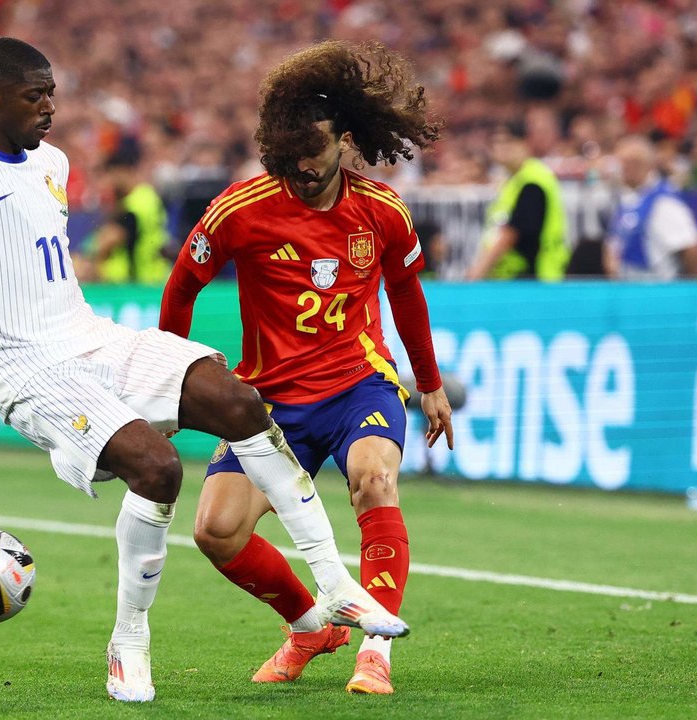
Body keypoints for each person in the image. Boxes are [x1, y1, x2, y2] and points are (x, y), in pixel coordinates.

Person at [0, 37, 410, 704]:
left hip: (88, 337)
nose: (50, 105)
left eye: (52, 92)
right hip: (24, 368)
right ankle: (127, 643)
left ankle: (335, 587)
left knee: (240, 403)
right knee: (158, 467)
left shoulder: (54, 162)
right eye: (34, 95)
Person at [160, 40, 454, 696]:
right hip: (267, 402)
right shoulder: (241, 209)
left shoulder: (380, 211)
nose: (300, 167)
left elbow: (406, 294)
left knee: (374, 480)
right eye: (286, 156)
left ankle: (375, 650)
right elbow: (181, 287)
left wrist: (428, 384)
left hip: (357, 383)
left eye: (313, 153)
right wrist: (165, 384)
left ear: (344, 141)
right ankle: (308, 626)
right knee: (215, 531)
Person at [466, 120, 569, 281]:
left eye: (508, 141)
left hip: (534, 276)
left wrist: (478, 271)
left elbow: (512, 232)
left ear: (525, 142)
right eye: (495, 142)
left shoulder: (533, 180)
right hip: (513, 278)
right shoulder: (512, 181)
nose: (501, 148)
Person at [72, 136, 171, 284]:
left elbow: (107, 241)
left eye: (109, 174)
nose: (107, 181)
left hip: (137, 283)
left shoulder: (133, 205)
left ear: (122, 172)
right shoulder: (148, 195)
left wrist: (82, 258)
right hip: (155, 277)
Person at [605, 134, 697, 279]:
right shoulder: (627, 199)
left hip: (656, 289)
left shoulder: (664, 202)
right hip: (628, 288)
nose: (625, 168)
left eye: (633, 162)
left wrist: (691, 289)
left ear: (649, 164)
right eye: (622, 162)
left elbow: (690, 248)